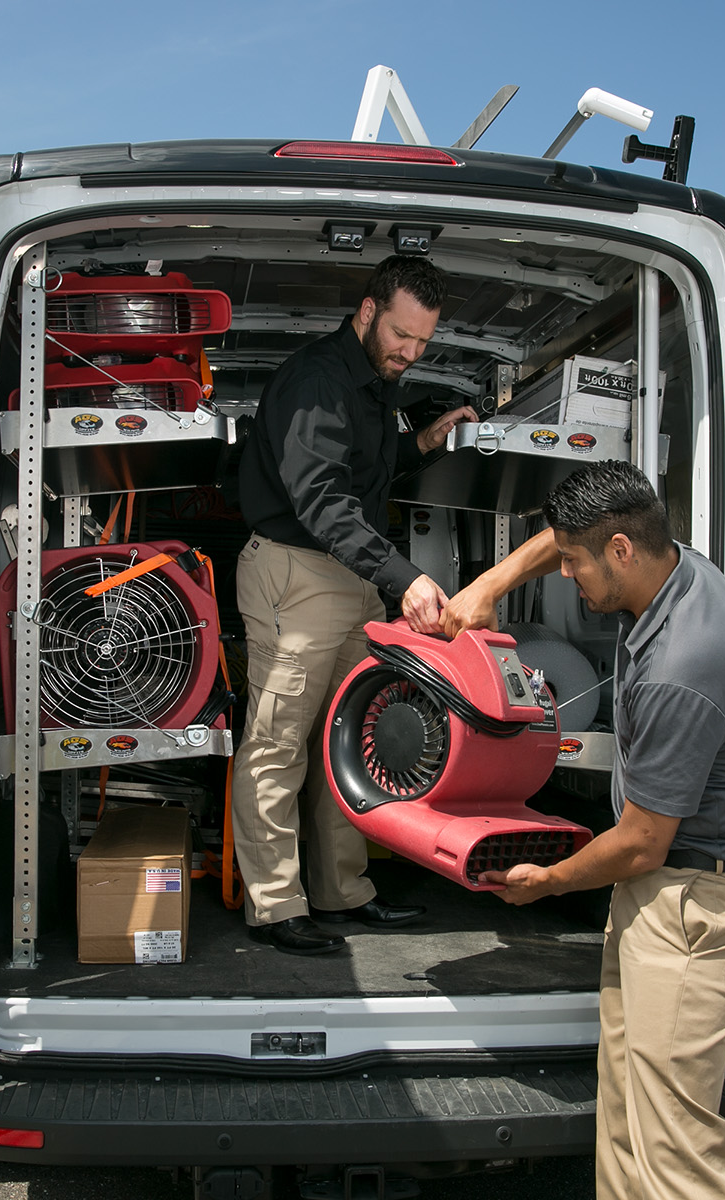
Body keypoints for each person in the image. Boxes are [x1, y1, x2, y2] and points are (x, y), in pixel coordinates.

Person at [443, 459, 725, 1200]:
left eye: (574, 563)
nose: (565, 576)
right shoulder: (679, 567)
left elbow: (642, 842)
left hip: (692, 905)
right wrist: (491, 584)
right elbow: (571, 535)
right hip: (663, 894)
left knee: (675, 1148)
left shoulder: (682, 666)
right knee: (626, 1120)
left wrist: (548, 881)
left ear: (621, 550)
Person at [232, 254, 477, 956]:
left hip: (349, 578)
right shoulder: (318, 379)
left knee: (345, 741)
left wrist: (420, 443)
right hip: (297, 574)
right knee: (277, 744)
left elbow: (362, 473)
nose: (411, 352)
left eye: (423, 341)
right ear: (368, 312)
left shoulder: (374, 386)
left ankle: (342, 891)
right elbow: (322, 500)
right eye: (401, 334)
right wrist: (406, 579)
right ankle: (275, 906)